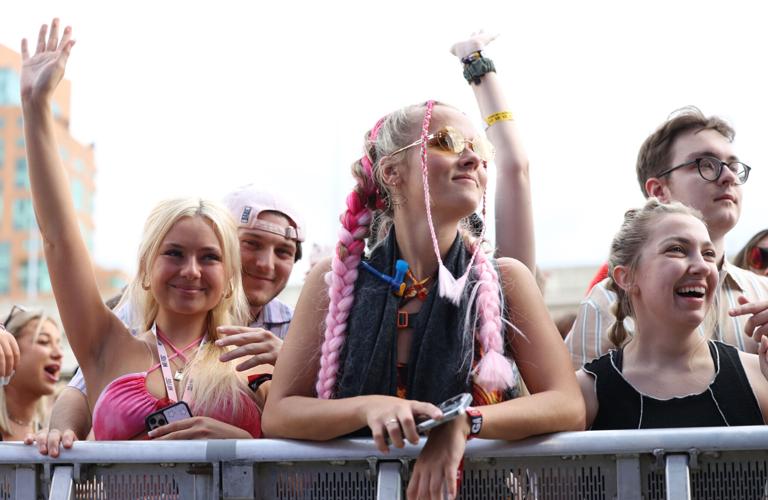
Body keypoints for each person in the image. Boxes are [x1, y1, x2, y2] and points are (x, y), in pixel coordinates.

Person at [263, 95, 584, 498]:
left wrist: (463, 421)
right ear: (392, 171)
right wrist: (370, 407)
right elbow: (280, 413)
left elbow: (567, 405)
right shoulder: (335, 279)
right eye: (447, 141)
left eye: (479, 149)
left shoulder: (507, 278)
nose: (473, 158)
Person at [21, 19, 262, 442]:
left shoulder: (254, 362)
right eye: (174, 253)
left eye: (209, 257)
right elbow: (58, 237)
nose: (191, 270)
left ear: (229, 278)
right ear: (147, 269)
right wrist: (35, 106)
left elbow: (295, 454)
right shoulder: (106, 345)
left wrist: (232, 442)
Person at [565, 107, 768, 369]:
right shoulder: (608, 301)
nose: (728, 177)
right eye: (706, 164)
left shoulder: (763, 292)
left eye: (732, 166)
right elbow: (574, 395)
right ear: (659, 190)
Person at [578, 199, 768, 429]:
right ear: (626, 277)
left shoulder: (758, 375)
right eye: (677, 250)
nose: (702, 266)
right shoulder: (587, 392)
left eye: (708, 253)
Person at [0, 307, 63, 440]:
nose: (59, 354)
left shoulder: (49, 437)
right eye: (44, 341)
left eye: (59, 345)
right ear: (10, 348)